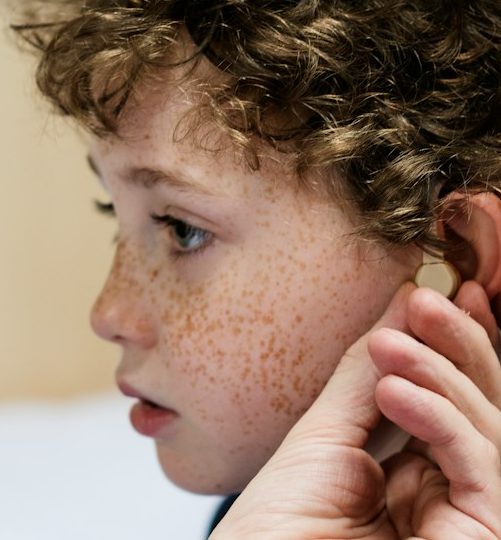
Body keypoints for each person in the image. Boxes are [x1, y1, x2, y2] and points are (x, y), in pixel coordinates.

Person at [12, 1, 501, 538]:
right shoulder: (266, 507)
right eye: (113, 211)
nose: (108, 315)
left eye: (183, 229)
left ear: (454, 252)